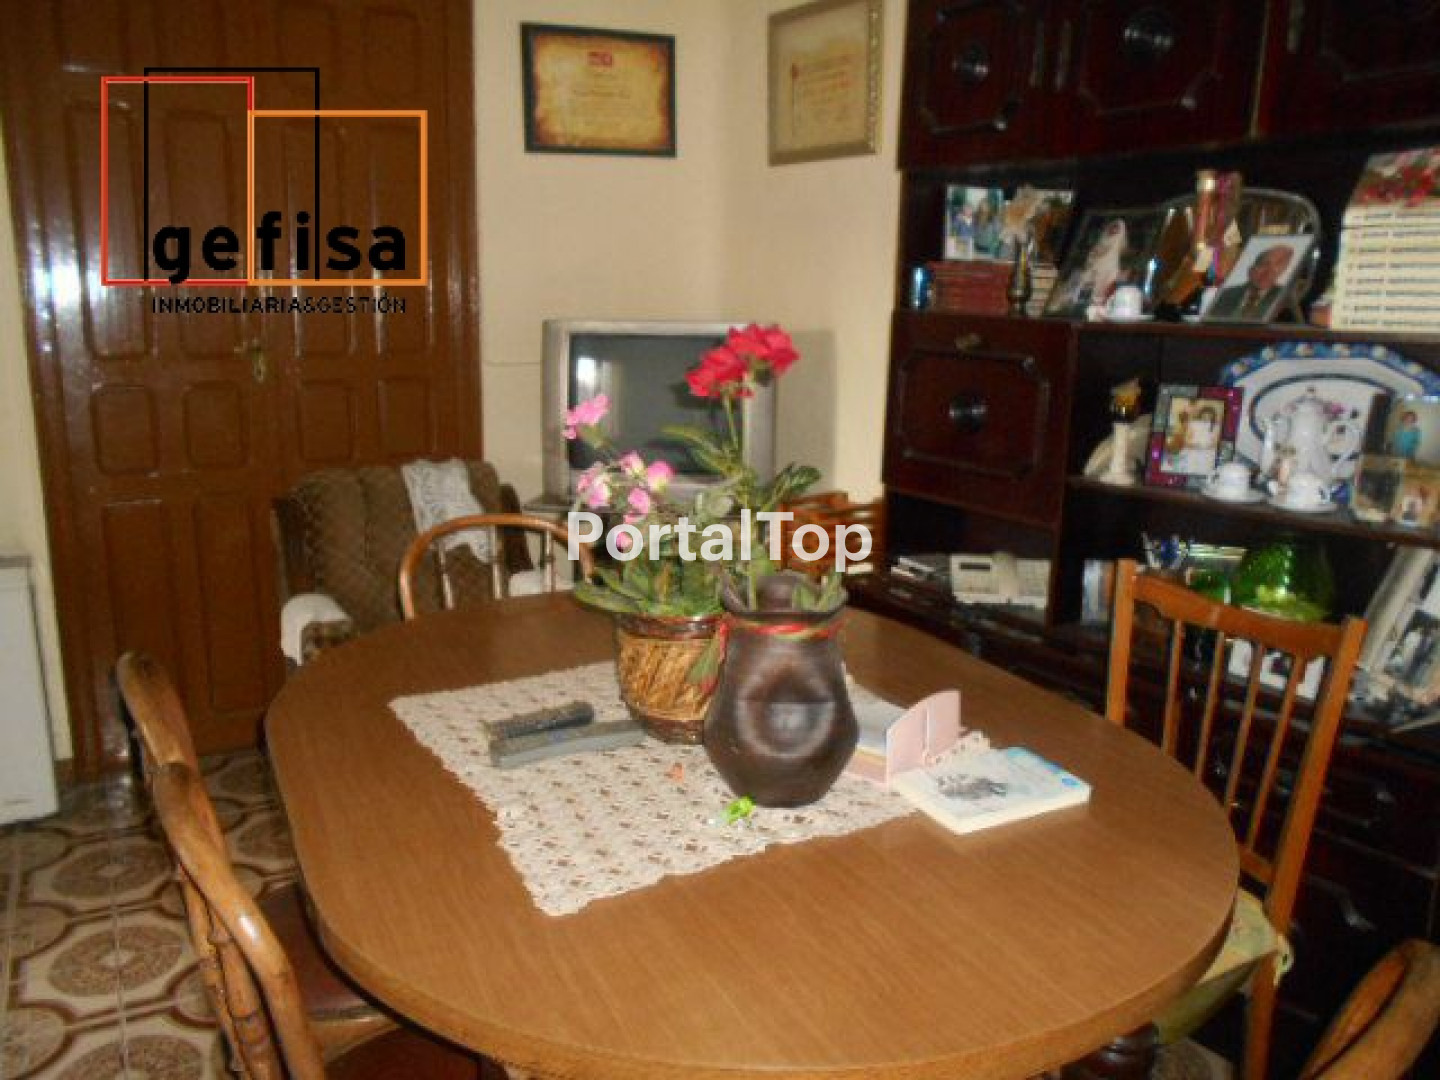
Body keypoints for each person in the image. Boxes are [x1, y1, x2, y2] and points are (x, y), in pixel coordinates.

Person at [1206, 243, 1296, 320]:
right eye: (1264, 265)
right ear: (1251, 269)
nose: (1267, 274)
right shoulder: (1226, 294)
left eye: (1274, 271)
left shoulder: (1284, 297)